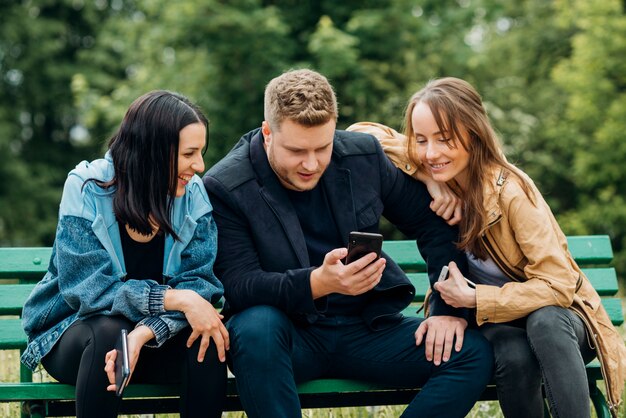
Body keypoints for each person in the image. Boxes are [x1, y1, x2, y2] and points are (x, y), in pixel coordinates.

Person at [202, 69, 493, 418]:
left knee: (472, 352)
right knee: (255, 327)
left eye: (322, 148)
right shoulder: (225, 185)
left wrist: (447, 310)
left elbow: (434, 225)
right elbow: (238, 285)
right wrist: (316, 284)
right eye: (296, 150)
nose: (311, 164)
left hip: (366, 330)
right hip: (287, 340)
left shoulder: (362, 156)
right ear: (267, 133)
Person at [348, 77, 626, 418]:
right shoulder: (439, 178)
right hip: (499, 326)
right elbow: (361, 135)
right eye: (421, 140)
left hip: (561, 327)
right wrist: (428, 179)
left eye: (444, 139)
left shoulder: (511, 192)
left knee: (545, 321)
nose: (431, 153)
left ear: (474, 134)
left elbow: (559, 284)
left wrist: (478, 299)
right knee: (511, 351)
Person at [20, 90, 229, 418]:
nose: (199, 166)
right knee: (109, 331)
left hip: (155, 336)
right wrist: (178, 300)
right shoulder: (86, 187)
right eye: (190, 154)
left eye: (201, 153)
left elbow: (200, 285)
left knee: (204, 336)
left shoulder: (193, 196)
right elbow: (89, 291)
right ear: (154, 152)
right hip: (75, 335)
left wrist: (146, 331)